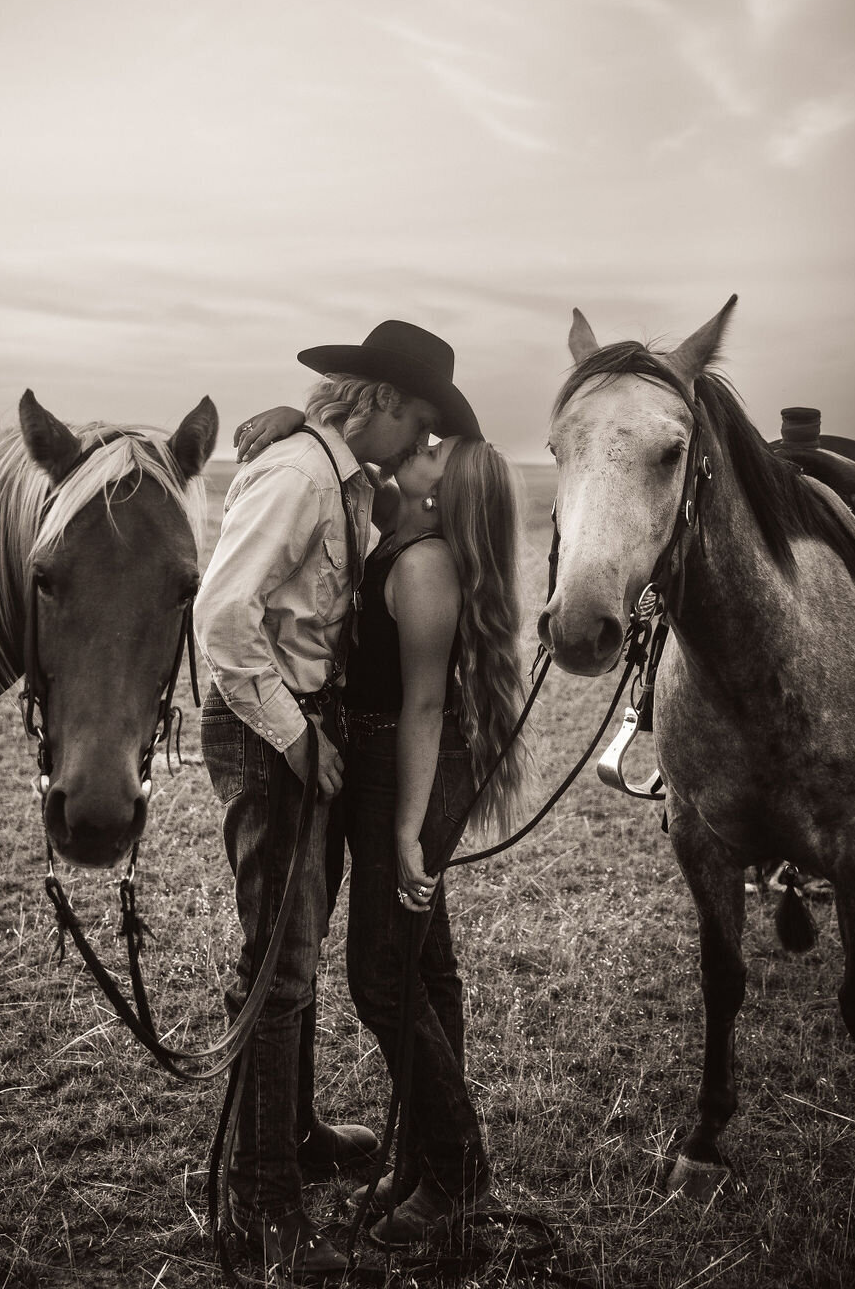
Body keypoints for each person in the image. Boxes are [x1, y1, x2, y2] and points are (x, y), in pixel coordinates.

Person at [194, 320, 481, 1280]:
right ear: (389, 403)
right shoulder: (304, 477)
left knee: (291, 955)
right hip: (274, 727)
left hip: (301, 726)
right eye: (425, 423)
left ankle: (300, 1136)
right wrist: (294, 732)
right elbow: (223, 616)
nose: (424, 444)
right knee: (278, 969)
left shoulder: (338, 477)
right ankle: (266, 1213)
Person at [233, 412, 539, 1250]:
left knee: (381, 976)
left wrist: (406, 830)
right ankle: (427, 1168)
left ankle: (455, 1176)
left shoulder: (428, 564)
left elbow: (425, 707)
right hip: (385, 758)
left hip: (408, 764)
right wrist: (298, 419)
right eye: (424, 438)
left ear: (449, 492)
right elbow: (347, 454)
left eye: (437, 452)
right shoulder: (391, 533)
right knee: (421, 963)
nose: (423, 448)